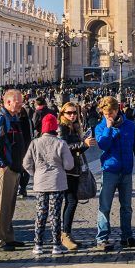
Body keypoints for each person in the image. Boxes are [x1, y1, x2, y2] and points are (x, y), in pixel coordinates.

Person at [94, 96, 135, 250]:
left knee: (126, 206)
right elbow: (103, 145)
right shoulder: (100, 127)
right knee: (105, 206)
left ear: (117, 110)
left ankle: (127, 236)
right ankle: (102, 238)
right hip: (110, 170)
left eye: (111, 112)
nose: (108, 116)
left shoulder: (130, 126)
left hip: (126, 172)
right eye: (105, 114)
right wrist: (108, 128)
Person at [23, 113, 75, 256]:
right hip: (56, 182)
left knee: (41, 213)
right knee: (55, 214)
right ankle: (56, 245)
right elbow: (69, 165)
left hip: (40, 182)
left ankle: (38, 245)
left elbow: (26, 163)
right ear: (55, 127)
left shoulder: (35, 143)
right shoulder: (61, 143)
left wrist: (36, 173)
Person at [0, 89, 28, 252]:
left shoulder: (13, 117)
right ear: (9, 102)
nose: (21, 104)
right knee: (2, 205)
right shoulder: (1, 118)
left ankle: (7, 237)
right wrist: (2, 164)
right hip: (6, 168)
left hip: (15, 166)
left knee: (10, 204)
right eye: (18, 101)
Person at [59, 102, 95, 251]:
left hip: (74, 169)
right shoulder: (62, 128)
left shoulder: (74, 127)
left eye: (75, 112)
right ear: (63, 114)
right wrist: (84, 144)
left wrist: (84, 144)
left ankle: (66, 233)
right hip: (66, 171)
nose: (72, 115)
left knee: (71, 202)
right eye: (69, 113)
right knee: (71, 201)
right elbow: (64, 147)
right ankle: (64, 234)